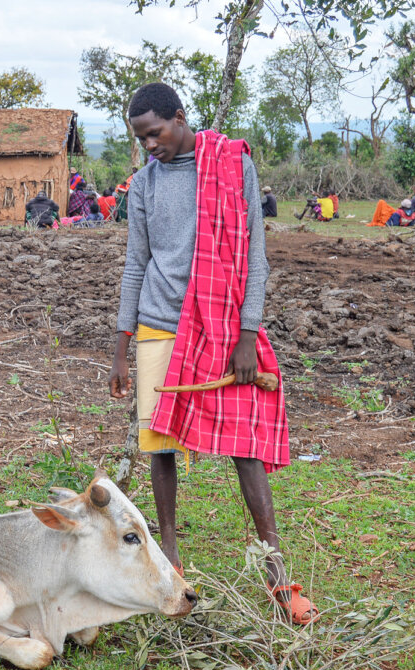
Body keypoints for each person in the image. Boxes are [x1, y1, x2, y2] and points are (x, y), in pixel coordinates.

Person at [108, 82, 318, 626]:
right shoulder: (143, 186)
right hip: (160, 324)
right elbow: (136, 264)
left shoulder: (229, 165)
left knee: (245, 445)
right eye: (140, 139)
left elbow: (256, 256)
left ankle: (277, 575)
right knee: (160, 448)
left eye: (154, 133)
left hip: (223, 327)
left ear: (179, 119)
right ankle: (172, 563)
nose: (148, 146)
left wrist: (248, 333)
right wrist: (119, 346)